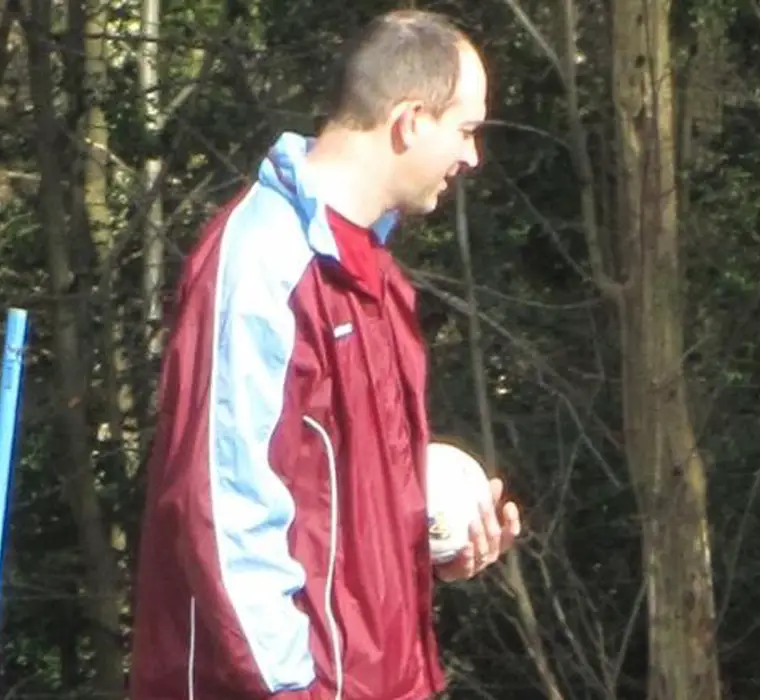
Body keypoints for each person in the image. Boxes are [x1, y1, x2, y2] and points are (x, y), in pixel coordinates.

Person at [128, 9, 521, 700]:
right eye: (464, 130)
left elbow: (340, 511)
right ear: (409, 121)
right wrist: (289, 690)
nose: (472, 157)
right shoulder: (262, 264)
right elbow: (225, 511)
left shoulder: (374, 276)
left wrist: (437, 541)